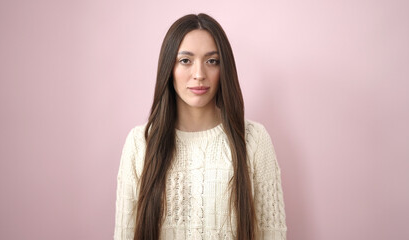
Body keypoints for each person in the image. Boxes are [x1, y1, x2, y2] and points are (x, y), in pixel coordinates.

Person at [114, 13, 287, 240]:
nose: (199, 74)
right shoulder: (140, 143)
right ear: (169, 67)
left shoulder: (253, 139)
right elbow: (125, 234)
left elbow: (271, 233)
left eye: (212, 61)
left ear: (223, 69)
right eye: (185, 60)